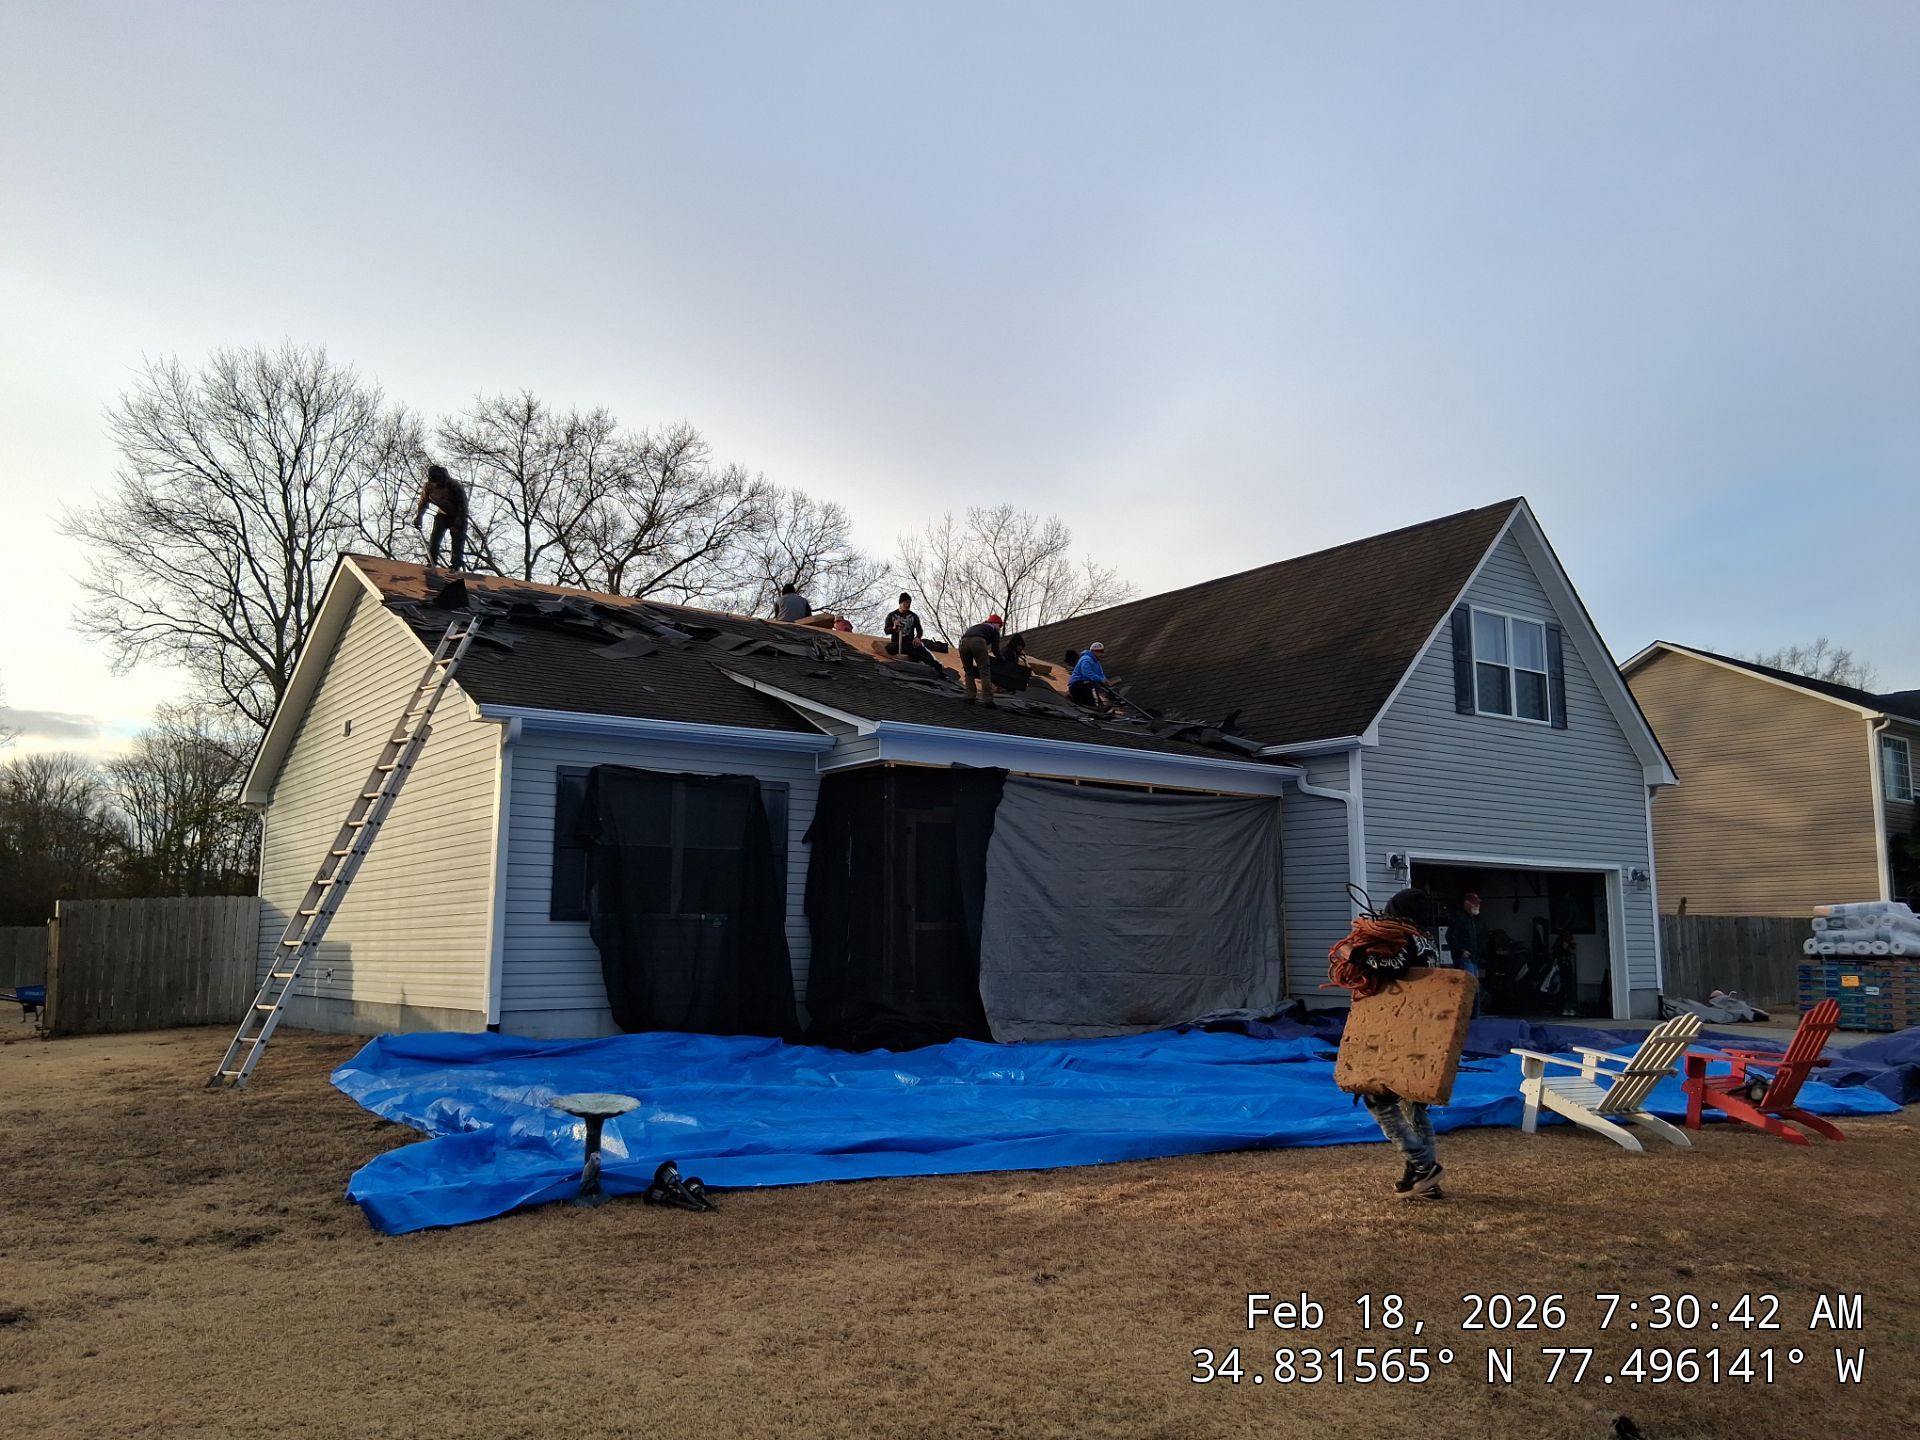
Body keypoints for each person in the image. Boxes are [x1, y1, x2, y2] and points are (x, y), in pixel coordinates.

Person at [1364, 888, 1448, 1201]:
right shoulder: (1426, 940)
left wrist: (1359, 957)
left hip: (1400, 1030)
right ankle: (1425, 1181)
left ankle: (1423, 1165)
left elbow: (1394, 968)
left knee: (1378, 1100)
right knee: (1413, 1103)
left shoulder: (1406, 940)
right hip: (1425, 1031)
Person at [413, 463, 470, 571]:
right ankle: (432, 561)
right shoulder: (429, 487)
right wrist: (419, 517)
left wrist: (457, 523)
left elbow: (463, 506)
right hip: (443, 514)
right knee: (435, 537)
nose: (437, 483)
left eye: (438, 481)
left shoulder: (454, 486)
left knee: (457, 540)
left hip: (458, 515)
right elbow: (423, 502)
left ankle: (455, 565)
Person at [1447, 892, 1485, 1016]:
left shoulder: (1473, 920)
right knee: (1468, 987)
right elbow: (1450, 936)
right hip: (1465, 959)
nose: (1477, 906)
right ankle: (1468, 1015)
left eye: (1478, 904)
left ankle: (1475, 1015)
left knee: (1475, 988)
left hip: (1473, 958)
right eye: (1475, 904)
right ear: (1467, 904)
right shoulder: (1459, 918)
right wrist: (1461, 951)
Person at [883, 593, 942, 671]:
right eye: (906, 602)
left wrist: (918, 638)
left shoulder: (913, 616)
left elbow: (919, 630)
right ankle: (932, 664)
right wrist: (894, 627)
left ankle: (936, 666)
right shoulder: (891, 615)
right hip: (897, 643)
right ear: (900, 603)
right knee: (891, 648)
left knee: (921, 650)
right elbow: (886, 631)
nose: (908, 605)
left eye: (909, 603)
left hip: (910, 642)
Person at [958, 613, 1003, 706]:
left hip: (963, 643)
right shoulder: (994, 630)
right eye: (1000, 626)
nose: (1000, 628)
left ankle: (970, 697)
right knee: (984, 671)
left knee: (968, 671)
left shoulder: (978, 626)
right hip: (978, 642)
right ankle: (988, 700)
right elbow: (995, 650)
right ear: (995, 623)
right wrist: (1002, 659)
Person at [1068, 641, 1117, 712]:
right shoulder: (1086, 659)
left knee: (1096, 684)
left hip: (1085, 685)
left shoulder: (1097, 662)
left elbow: (1101, 674)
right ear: (1093, 651)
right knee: (1094, 685)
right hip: (1076, 685)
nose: (1100, 653)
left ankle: (1092, 704)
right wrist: (1101, 680)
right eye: (1098, 651)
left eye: (1101, 651)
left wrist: (1105, 681)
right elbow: (1087, 674)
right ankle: (1097, 704)